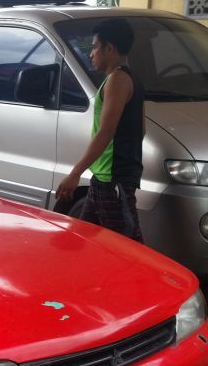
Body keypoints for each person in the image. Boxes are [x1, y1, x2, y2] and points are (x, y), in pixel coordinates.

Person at [55, 18, 145, 242]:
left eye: (94, 47)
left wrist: (74, 174)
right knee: (86, 240)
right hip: (103, 177)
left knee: (128, 248)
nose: (91, 54)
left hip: (113, 179)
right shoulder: (129, 78)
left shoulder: (118, 80)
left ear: (109, 48)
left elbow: (106, 131)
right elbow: (141, 129)